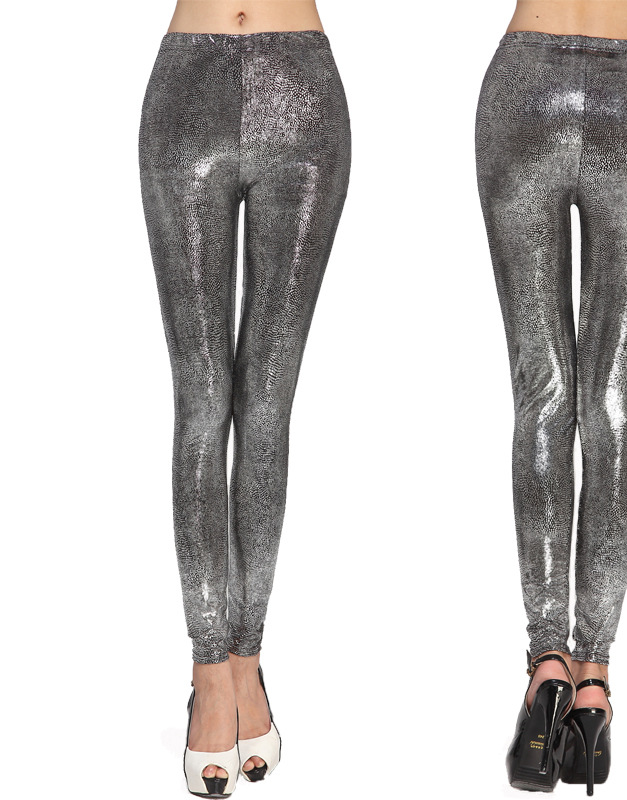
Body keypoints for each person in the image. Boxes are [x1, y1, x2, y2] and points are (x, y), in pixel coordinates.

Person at [138, 1, 350, 795]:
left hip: (306, 98)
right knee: (201, 399)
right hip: (186, 89)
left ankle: (247, 658)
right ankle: (210, 669)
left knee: (266, 404)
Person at [475, 1, 627, 793]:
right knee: (614, 404)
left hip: (522, 88)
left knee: (543, 394)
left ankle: (547, 665)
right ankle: (592, 689)